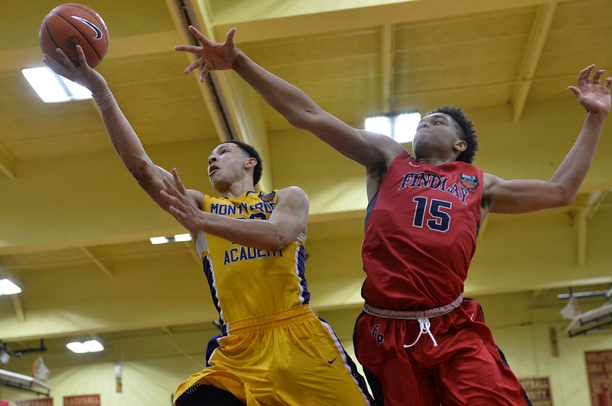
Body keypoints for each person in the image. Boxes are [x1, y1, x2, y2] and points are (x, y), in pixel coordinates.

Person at [174, 26, 612, 406]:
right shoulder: (388, 159)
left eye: (437, 121)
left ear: (460, 146)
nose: (425, 122)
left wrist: (594, 119)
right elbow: (306, 114)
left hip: (453, 323)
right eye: (422, 119)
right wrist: (240, 63)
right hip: (386, 328)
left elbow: (560, 192)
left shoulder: (482, 185)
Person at [43, 47, 374, 406]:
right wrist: (101, 92)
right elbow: (141, 168)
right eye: (209, 157)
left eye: (223, 152)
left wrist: (202, 221)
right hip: (238, 348)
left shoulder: (285, 197)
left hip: (300, 338)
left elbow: (277, 236)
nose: (212, 158)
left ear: (251, 163)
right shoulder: (201, 205)